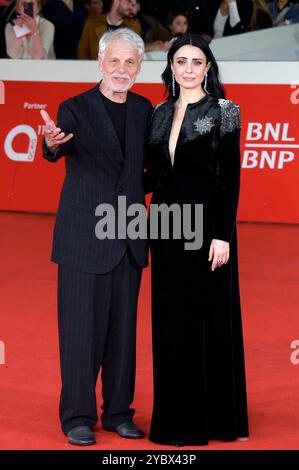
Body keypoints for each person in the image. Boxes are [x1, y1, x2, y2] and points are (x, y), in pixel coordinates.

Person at [41, 28, 152, 446]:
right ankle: (77, 417)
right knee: (80, 333)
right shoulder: (75, 108)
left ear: (139, 68)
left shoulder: (145, 110)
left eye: (130, 63)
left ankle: (120, 411)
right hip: (83, 238)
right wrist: (50, 145)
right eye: (114, 61)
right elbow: (57, 148)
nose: (121, 70)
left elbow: (151, 170)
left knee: (124, 335)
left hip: (129, 237)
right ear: (100, 62)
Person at [146, 34, 249, 446]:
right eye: (181, 61)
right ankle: (173, 417)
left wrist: (222, 235)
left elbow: (229, 178)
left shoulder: (226, 111)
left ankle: (213, 419)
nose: (188, 69)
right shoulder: (157, 112)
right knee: (171, 321)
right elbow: (151, 176)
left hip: (208, 231)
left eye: (197, 62)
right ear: (171, 66)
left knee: (207, 321)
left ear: (208, 68)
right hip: (167, 229)